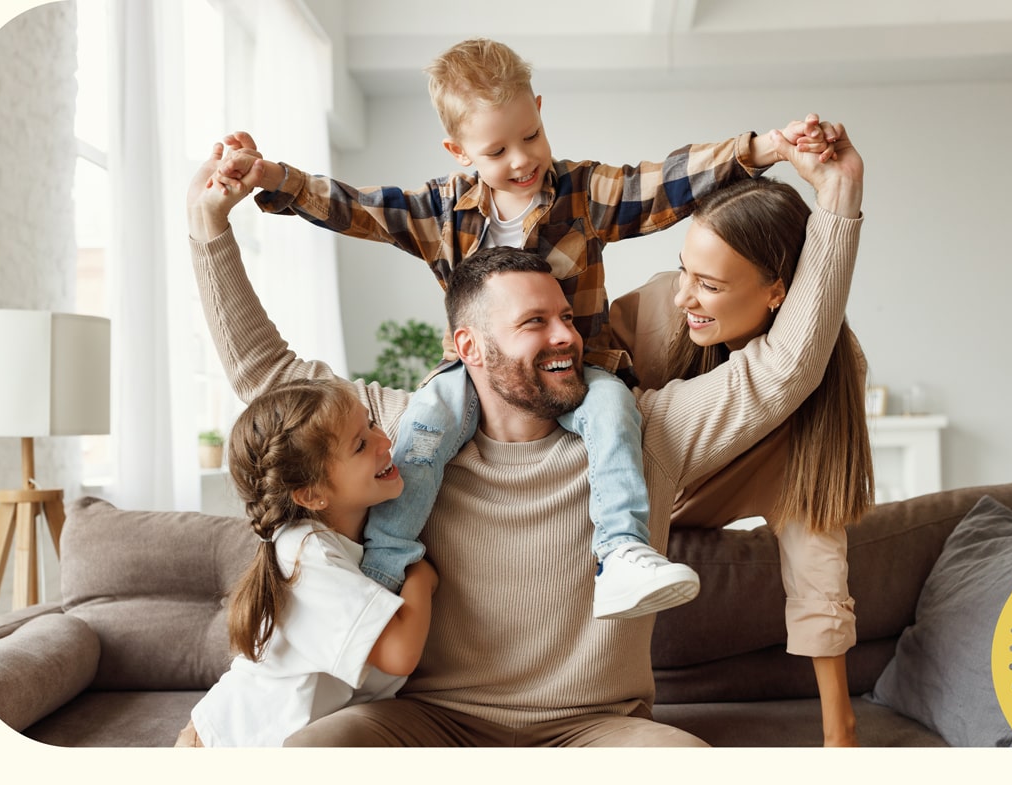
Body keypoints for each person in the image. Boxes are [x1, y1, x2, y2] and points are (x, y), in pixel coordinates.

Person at [186, 113, 863, 746]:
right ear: (469, 346)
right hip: (431, 720)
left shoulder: (643, 431)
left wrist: (839, 194)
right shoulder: (401, 440)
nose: (568, 335)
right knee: (310, 757)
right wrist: (208, 226)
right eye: (533, 323)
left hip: (595, 729)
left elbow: (787, 366)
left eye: (565, 316)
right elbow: (264, 373)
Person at [212, 37, 833, 619]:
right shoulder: (439, 210)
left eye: (531, 136)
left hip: (582, 373)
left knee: (618, 419)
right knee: (423, 437)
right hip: (478, 379)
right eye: (496, 151)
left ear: (539, 110)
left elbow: (667, 180)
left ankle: (619, 550)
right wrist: (272, 178)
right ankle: (385, 567)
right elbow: (356, 207)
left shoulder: (584, 193)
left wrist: (766, 148)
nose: (521, 161)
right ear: (459, 153)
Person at [610, 173, 875, 747]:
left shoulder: (829, 372)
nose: (684, 296)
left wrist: (840, 730)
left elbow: (815, 545)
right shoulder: (658, 310)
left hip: (705, 507)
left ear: (777, 291)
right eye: (684, 268)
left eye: (707, 283)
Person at [174, 378, 439, 747]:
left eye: (372, 423)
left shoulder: (364, 534)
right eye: (361, 445)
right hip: (229, 744)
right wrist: (420, 578)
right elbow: (399, 654)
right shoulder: (304, 553)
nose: (385, 441)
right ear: (312, 494)